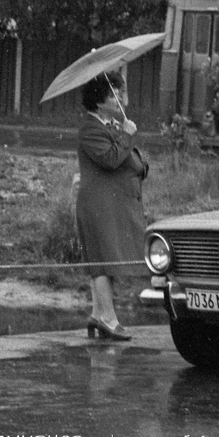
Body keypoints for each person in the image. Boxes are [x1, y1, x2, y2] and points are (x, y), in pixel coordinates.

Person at [76, 72, 149, 341]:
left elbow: (127, 159)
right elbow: (110, 159)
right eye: (113, 93)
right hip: (98, 206)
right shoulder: (90, 129)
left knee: (107, 260)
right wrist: (127, 136)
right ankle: (107, 318)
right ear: (98, 101)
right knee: (102, 261)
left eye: (120, 91)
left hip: (111, 204)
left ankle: (99, 314)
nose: (119, 97)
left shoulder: (111, 124)